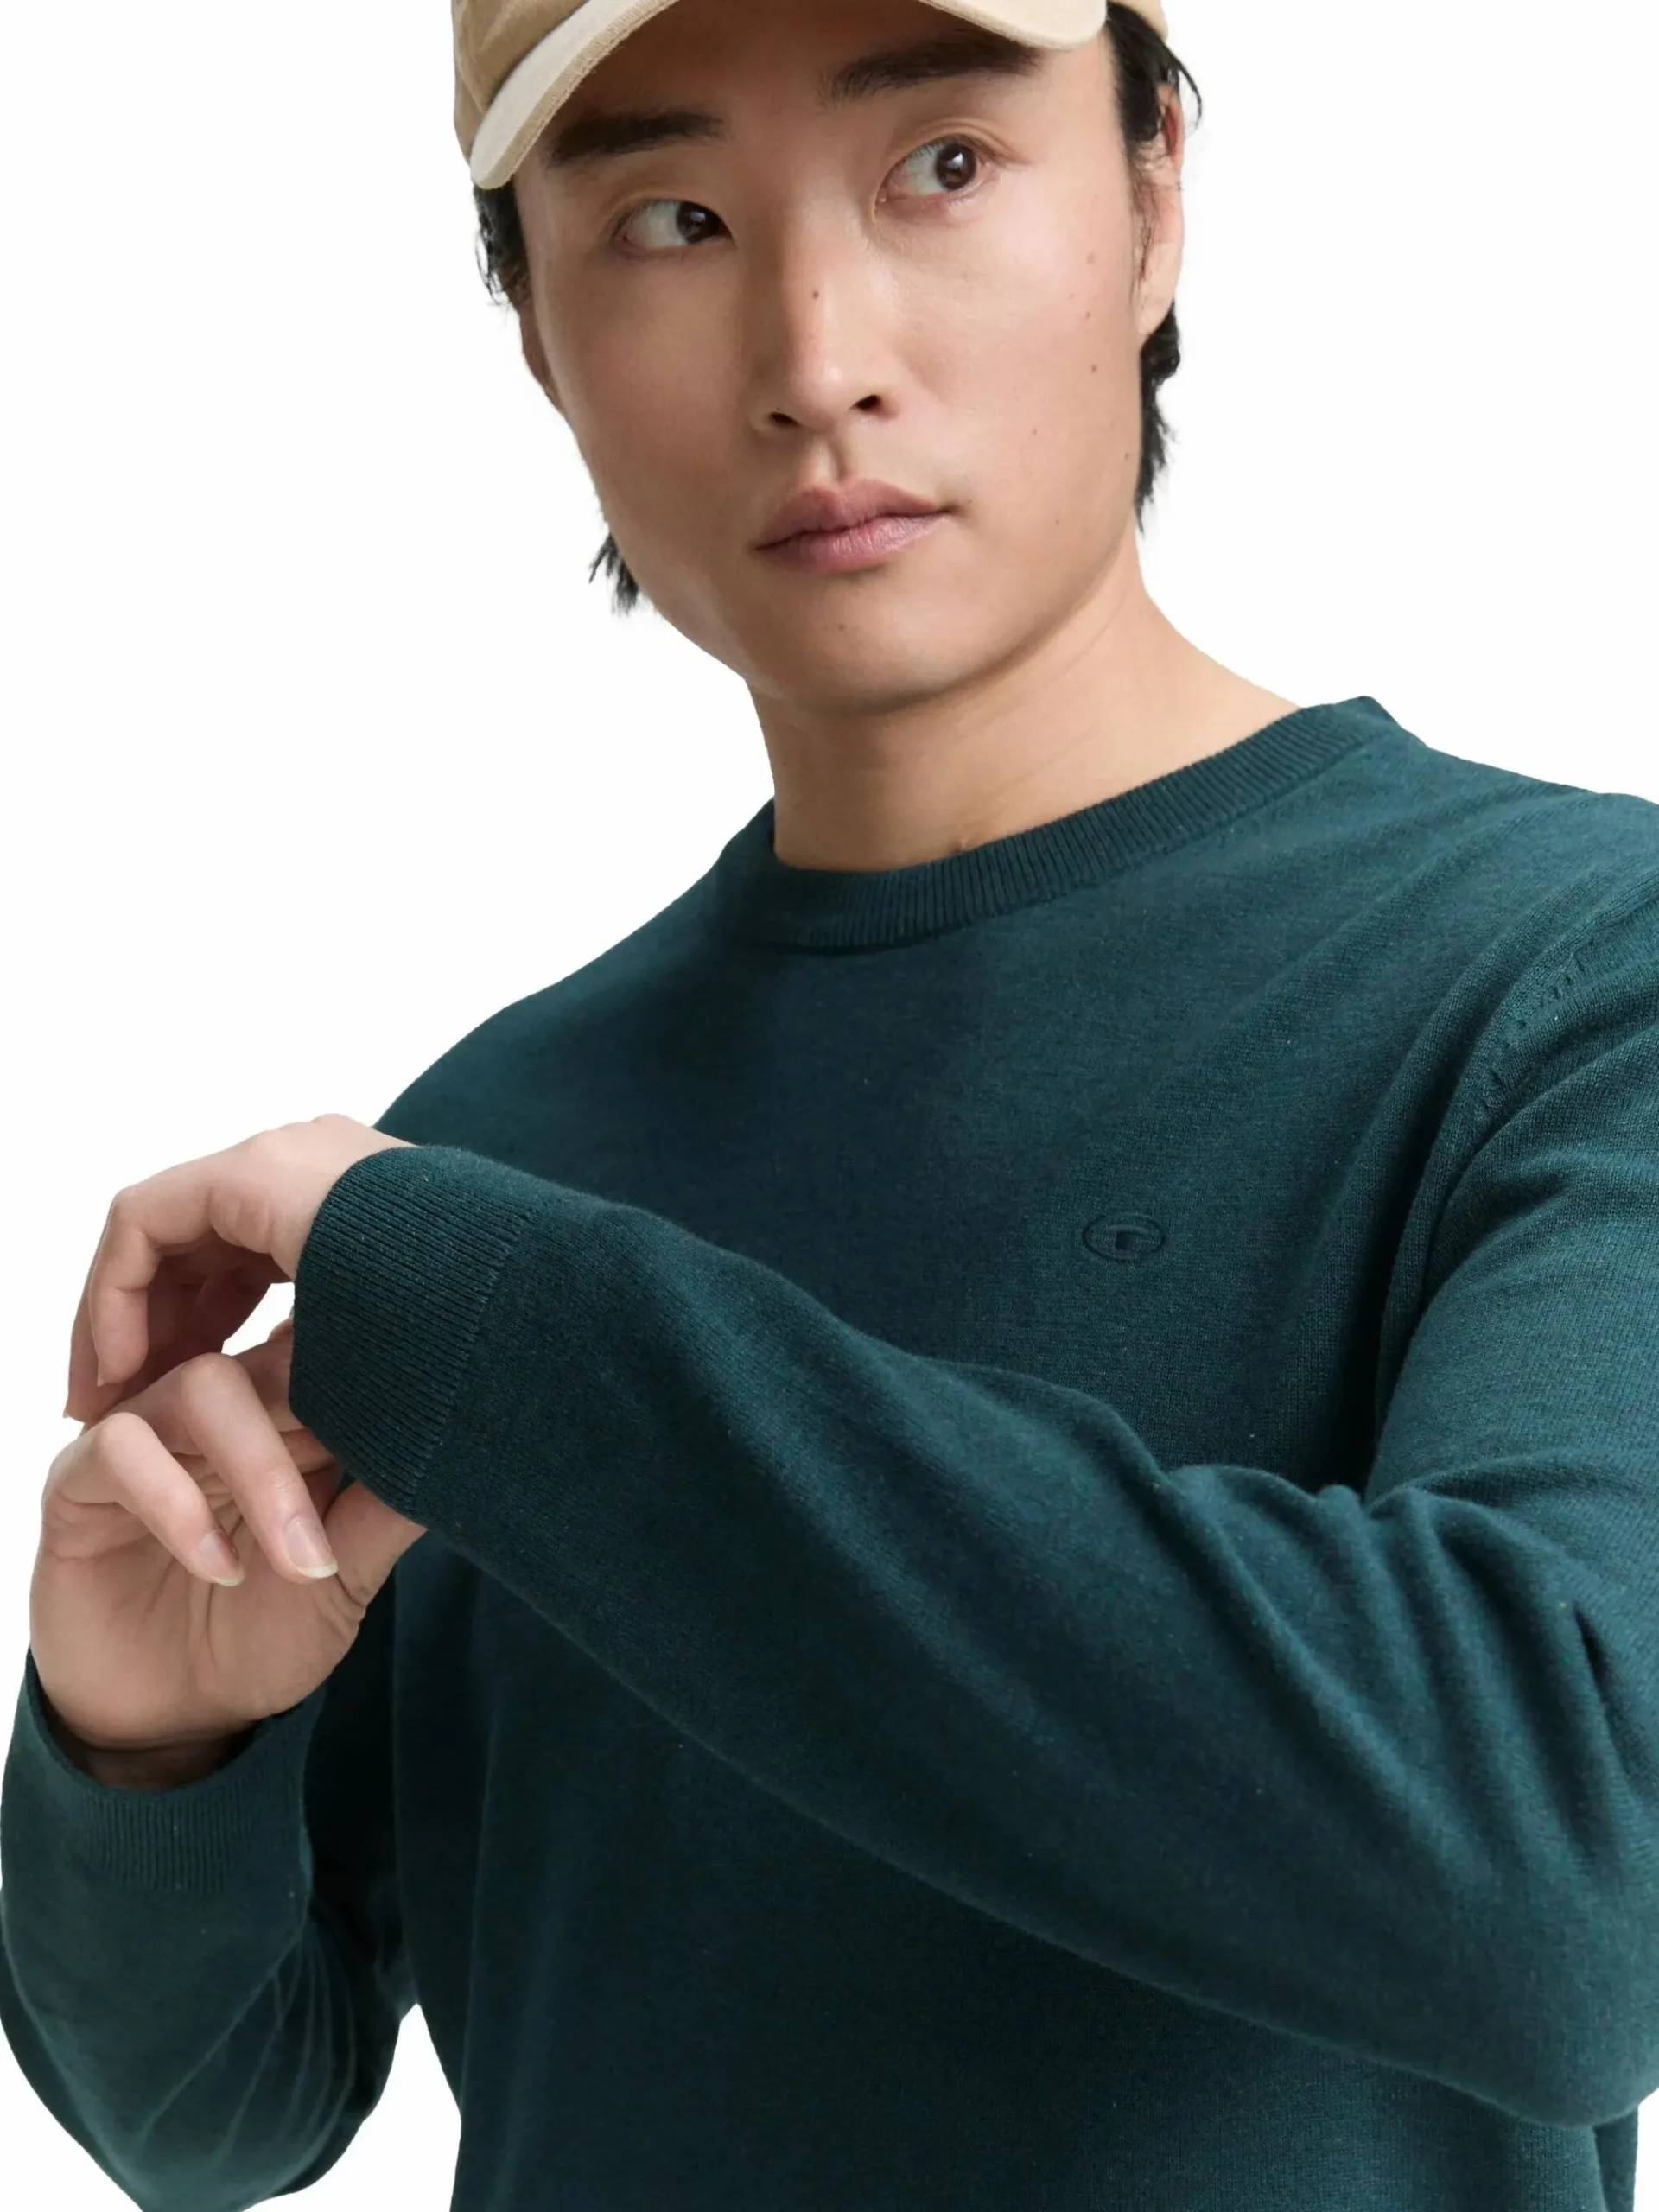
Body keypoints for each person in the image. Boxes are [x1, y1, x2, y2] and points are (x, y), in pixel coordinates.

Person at [4, 1, 1659, 2208]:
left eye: (942, 167)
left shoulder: (1573, 970)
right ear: (537, 335)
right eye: (671, 220)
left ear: (1156, 189)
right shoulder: (493, 1143)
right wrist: (148, 1748)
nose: (816, 355)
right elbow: (219, 2110)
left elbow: (1571, 1887)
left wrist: (521, 1334)